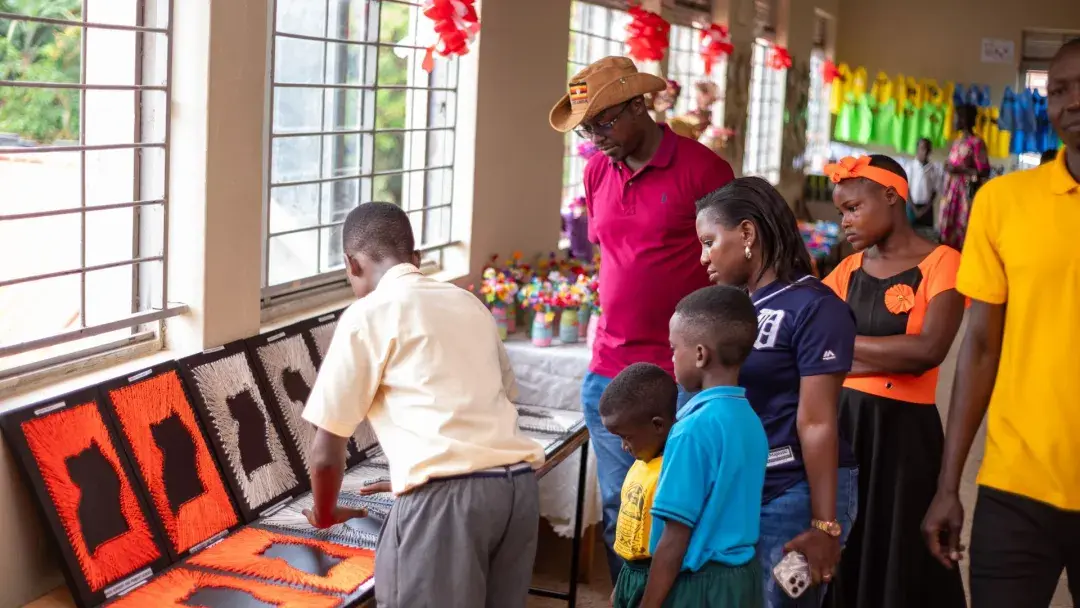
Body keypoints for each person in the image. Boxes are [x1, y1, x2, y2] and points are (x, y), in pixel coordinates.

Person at [548, 55, 736, 585]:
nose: (594, 137)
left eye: (603, 122)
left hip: (685, 375)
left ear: (640, 105)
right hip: (610, 366)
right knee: (622, 510)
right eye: (586, 128)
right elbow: (611, 255)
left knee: (685, 510)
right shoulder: (595, 169)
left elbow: (731, 270)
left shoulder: (704, 171)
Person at [301, 202, 546, 608]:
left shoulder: (368, 314)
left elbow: (326, 454)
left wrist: (325, 514)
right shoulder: (469, 303)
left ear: (351, 264)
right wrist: (411, 471)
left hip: (446, 506)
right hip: (516, 492)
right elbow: (498, 400)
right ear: (414, 258)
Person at [923, 39, 1080, 607]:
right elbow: (980, 347)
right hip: (1016, 486)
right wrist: (948, 486)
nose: (1072, 101)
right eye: (1059, 89)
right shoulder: (1004, 202)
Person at [695, 177, 858, 607]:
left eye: (710, 241)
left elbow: (818, 420)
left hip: (796, 490)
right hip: (744, 483)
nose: (703, 256)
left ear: (747, 234)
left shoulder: (816, 307)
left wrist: (825, 526)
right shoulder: (733, 306)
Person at [819, 155, 966, 608]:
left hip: (905, 436)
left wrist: (844, 348)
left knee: (899, 549)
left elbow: (926, 352)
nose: (844, 222)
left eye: (853, 208)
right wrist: (885, 355)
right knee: (846, 543)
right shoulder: (848, 270)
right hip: (844, 427)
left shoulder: (944, 262)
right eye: (841, 211)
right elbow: (811, 340)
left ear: (891, 196)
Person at [602, 286, 767, 608]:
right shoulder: (750, 421)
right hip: (741, 582)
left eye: (675, 348)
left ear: (701, 354)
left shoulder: (690, 431)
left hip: (697, 586)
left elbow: (674, 539)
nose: (671, 357)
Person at [937, 103, 990, 250]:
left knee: (961, 235)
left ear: (965, 119)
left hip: (964, 195)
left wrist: (960, 170)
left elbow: (984, 171)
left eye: (957, 117)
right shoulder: (958, 141)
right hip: (950, 193)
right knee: (945, 236)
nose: (954, 121)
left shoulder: (977, 143)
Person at [907, 137, 943, 238]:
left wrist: (926, 208)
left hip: (927, 209)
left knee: (926, 236)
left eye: (927, 149)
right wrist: (914, 209)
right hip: (912, 207)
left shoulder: (934, 169)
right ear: (917, 149)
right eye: (922, 148)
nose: (925, 152)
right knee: (909, 234)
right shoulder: (910, 167)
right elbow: (906, 188)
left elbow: (935, 191)